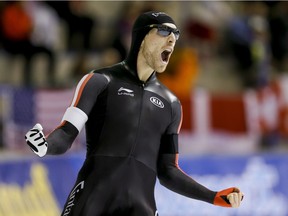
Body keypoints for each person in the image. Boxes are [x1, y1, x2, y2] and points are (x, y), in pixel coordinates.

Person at [25, 11, 243, 216]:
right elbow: (66, 134)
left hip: (141, 207)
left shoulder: (171, 104)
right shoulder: (100, 81)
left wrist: (213, 197)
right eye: (164, 31)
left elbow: (167, 170)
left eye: (176, 34)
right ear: (142, 36)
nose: (172, 40)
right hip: (93, 200)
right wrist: (45, 146)